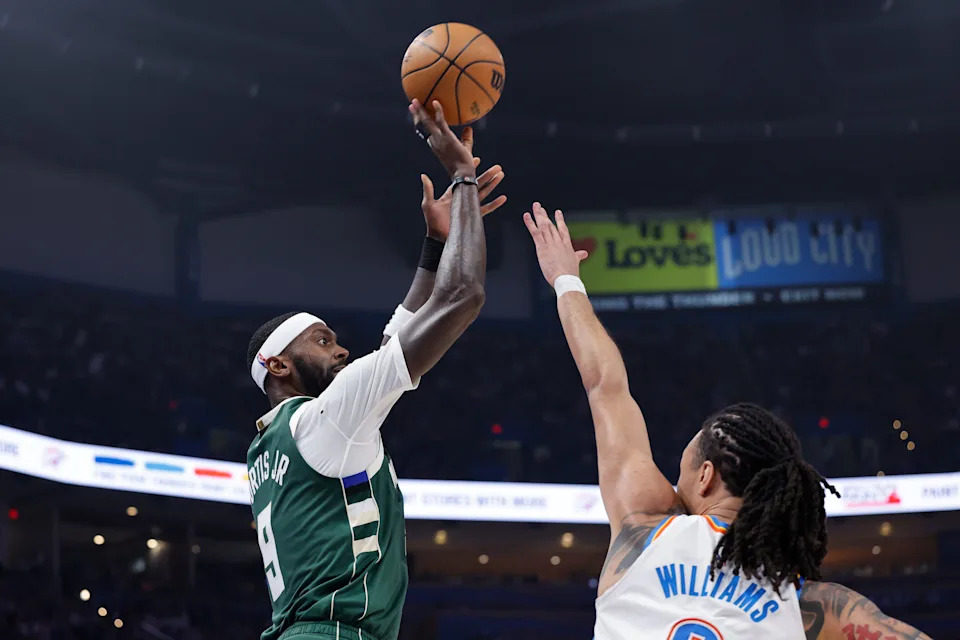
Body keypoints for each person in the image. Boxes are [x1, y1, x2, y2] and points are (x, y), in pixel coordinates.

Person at [521, 202, 933, 640]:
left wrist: (566, 281)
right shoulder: (812, 605)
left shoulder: (643, 528)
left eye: (681, 470)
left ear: (705, 476)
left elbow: (605, 385)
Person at [245, 99, 505, 640]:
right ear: (278, 364)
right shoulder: (325, 420)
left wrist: (436, 244)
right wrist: (462, 179)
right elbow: (464, 294)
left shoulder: (275, 444)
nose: (342, 352)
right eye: (323, 342)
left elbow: (393, 344)